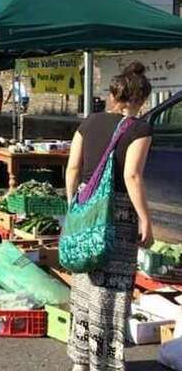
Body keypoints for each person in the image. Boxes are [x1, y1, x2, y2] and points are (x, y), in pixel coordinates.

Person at [65, 62, 154, 371]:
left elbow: (73, 168)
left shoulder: (88, 123)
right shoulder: (139, 129)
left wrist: (73, 204)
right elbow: (132, 176)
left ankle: (80, 360)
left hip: (86, 207)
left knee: (85, 281)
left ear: (115, 94)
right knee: (112, 290)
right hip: (118, 216)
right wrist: (145, 218)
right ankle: (103, 362)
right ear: (140, 99)